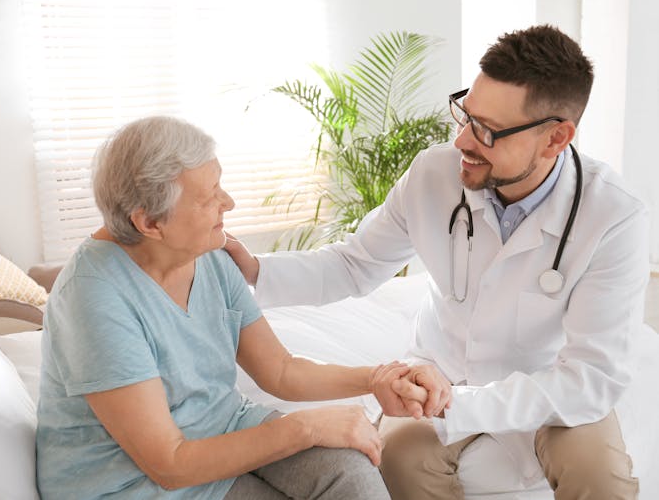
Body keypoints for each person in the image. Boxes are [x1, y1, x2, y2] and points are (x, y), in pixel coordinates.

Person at [225, 25, 649, 499]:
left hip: (548, 388)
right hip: (440, 373)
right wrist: (254, 271)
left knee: (601, 477)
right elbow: (355, 264)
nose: (464, 141)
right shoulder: (433, 172)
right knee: (399, 460)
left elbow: (590, 377)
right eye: (466, 115)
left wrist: (463, 406)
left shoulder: (613, 216)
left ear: (556, 138)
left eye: (488, 131)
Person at [35, 115, 428, 500]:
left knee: (349, 469)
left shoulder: (208, 254)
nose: (229, 203)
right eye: (210, 198)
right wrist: (305, 428)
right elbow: (169, 465)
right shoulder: (94, 298)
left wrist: (377, 379)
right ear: (151, 223)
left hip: (222, 428)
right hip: (132, 483)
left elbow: (281, 370)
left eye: (220, 185)